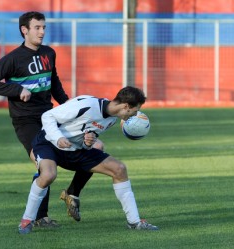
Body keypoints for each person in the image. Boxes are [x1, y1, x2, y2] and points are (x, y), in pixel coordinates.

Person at [0, 11, 98, 227]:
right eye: (37, 27)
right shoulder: (12, 59)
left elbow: (54, 82)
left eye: (43, 27)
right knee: (46, 164)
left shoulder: (49, 53)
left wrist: (68, 106)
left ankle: (73, 192)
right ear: (24, 30)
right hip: (26, 121)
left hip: (50, 117)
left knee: (94, 146)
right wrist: (16, 89)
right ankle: (40, 217)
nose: (42, 31)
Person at [18, 86, 159, 234]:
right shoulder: (87, 104)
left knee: (119, 169)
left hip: (74, 150)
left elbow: (84, 141)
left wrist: (87, 143)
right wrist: (58, 138)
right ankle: (26, 220)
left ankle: (134, 222)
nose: (135, 114)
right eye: (135, 110)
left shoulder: (111, 120)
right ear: (126, 107)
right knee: (48, 175)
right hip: (48, 143)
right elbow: (48, 116)